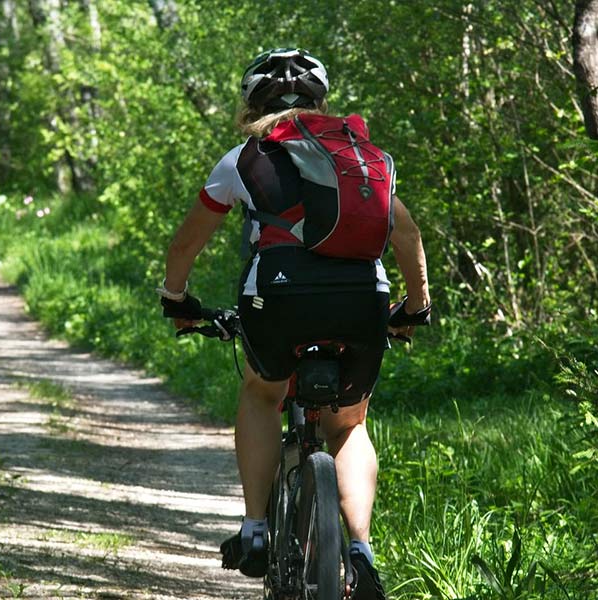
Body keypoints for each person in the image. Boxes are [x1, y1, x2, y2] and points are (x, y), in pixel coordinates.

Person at [157, 48, 431, 600]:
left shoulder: (242, 160)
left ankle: (256, 531)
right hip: (362, 299)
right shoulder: (368, 158)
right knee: (349, 424)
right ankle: (359, 550)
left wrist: (177, 298)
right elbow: (405, 235)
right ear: (320, 102)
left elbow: (187, 242)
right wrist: (415, 306)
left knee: (262, 393)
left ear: (250, 105)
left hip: (277, 299)